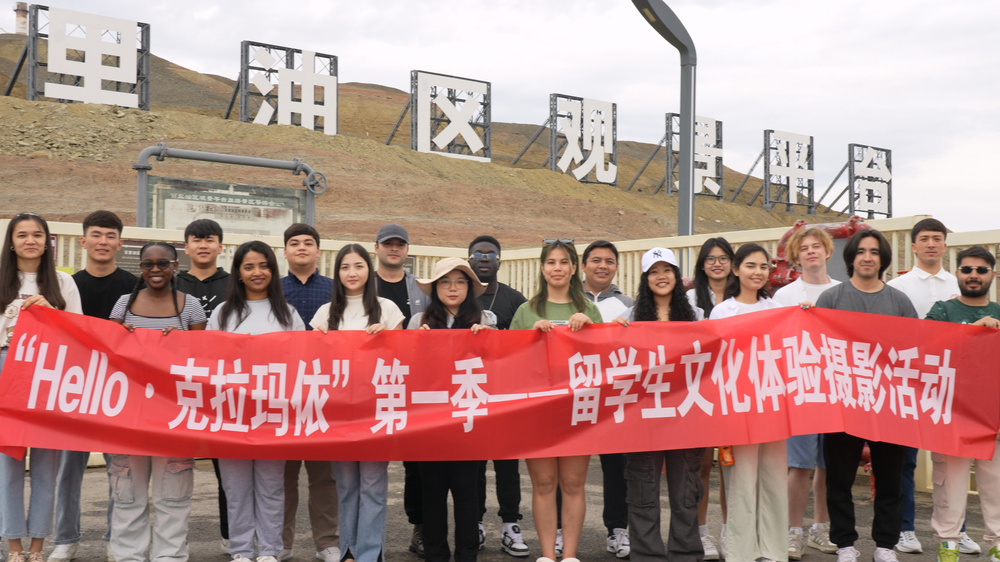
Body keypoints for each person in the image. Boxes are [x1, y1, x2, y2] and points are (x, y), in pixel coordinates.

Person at [815, 229, 917, 562]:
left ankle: (885, 546)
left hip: (889, 406)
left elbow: (916, 351)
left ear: (883, 259)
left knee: (890, 478)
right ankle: (845, 543)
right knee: (839, 479)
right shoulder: (831, 299)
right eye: (861, 251)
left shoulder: (899, 301)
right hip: (842, 404)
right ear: (851, 258)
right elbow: (815, 350)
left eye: (874, 251)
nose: (868, 257)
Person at [108, 241, 207, 562]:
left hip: (174, 418)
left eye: (163, 264)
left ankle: (171, 557)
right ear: (141, 267)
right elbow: (108, 359)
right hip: (127, 418)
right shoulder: (123, 305)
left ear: (175, 266)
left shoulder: (190, 307)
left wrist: (179, 346)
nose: (155, 270)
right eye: (148, 264)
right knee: (127, 497)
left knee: (173, 499)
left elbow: (204, 362)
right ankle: (127, 557)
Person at [209, 241, 305, 562]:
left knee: (271, 488)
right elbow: (209, 364)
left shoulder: (288, 314)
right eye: (248, 266)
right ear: (238, 272)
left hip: (273, 417)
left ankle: (268, 550)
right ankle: (240, 550)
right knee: (235, 491)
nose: (257, 272)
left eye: (263, 265)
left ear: (273, 270)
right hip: (231, 416)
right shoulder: (222, 314)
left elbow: (303, 364)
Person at [510, 240, 603, 562]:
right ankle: (548, 555)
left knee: (574, 482)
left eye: (564, 262)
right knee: (545, 482)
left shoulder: (589, 309)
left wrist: (591, 329)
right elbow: (507, 362)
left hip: (578, 410)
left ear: (574, 268)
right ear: (542, 268)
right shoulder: (526, 311)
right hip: (538, 411)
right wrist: (529, 337)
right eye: (551, 262)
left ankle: (571, 555)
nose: (558, 268)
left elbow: (606, 357)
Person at [52, 211, 138, 562]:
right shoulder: (65, 285)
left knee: (120, 472)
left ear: (120, 243)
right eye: (96, 235)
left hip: (120, 390)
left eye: (110, 236)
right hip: (76, 389)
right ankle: (65, 539)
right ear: (84, 240)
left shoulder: (135, 285)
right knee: (68, 469)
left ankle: (116, 539)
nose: (103, 241)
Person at [311, 244, 405, 562]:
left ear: (369, 269)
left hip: (377, 409)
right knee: (347, 485)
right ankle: (349, 549)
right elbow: (312, 365)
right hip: (338, 413)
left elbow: (404, 361)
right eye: (345, 267)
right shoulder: (325, 314)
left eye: (359, 266)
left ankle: (370, 552)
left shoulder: (388, 309)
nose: (352, 273)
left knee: (374, 486)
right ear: (337, 273)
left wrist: (390, 338)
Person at [611, 247, 704, 562]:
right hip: (644, 418)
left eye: (667, 270)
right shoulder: (629, 317)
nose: (661, 277)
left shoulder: (698, 317)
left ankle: (686, 553)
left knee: (686, 492)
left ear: (677, 277)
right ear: (645, 278)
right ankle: (647, 555)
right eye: (653, 271)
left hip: (686, 416)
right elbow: (609, 354)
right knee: (642, 492)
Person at [0, 213, 83, 562]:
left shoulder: (62, 283)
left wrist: (52, 313)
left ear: (47, 241)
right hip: (7, 371)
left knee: (48, 464)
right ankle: (13, 546)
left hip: (49, 374)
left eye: (37, 234)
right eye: (22, 235)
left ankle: (38, 546)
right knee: (8, 465)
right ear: (12, 240)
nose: (30, 240)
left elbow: (80, 333)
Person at [885, 218, 966, 556]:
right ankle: (905, 529)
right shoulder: (900, 286)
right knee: (905, 459)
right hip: (909, 381)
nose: (931, 244)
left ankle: (956, 531)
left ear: (945, 245)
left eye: (937, 239)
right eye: (924, 239)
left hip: (952, 384)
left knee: (952, 461)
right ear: (914, 246)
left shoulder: (959, 282)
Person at [408, 257, 495, 562]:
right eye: (445, 282)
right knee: (431, 490)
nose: (452, 288)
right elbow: (405, 366)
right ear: (434, 288)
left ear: (469, 287)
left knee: (466, 491)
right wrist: (418, 344)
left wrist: (485, 342)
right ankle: (435, 553)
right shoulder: (418, 321)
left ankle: (467, 554)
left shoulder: (484, 321)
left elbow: (497, 366)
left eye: (460, 281)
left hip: (467, 419)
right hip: (429, 420)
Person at [709, 243, 786, 562]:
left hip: (774, 405)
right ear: (736, 269)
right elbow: (713, 364)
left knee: (773, 478)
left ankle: (773, 550)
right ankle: (741, 551)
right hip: (737, 407)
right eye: (751, 266)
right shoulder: (722, 311)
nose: (758, 272)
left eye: (764, 267)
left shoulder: (777, 308)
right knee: (741, 481)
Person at [924, 245, 1000, 562]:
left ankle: (997, 544)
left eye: (981, 270)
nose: (973, 275)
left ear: (992, 275)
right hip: (950, 415)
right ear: (956, 272)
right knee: (949, 488)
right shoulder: (941, 310)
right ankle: (948, 547)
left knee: (996, 488)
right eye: (967, 269)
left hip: (994, 418)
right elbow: (924, 347)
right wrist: (972, 331)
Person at [772, 227, 840, 559]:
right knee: (799, 465)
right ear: (795, 256)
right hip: (799, 391)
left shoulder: (844, 291)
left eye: (817, 246)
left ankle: (820, 529)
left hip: (836, 390)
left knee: (829, 466)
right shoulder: (784, 295)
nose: (811, 252)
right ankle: (792, 532)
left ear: (828, 252)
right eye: (804, 248)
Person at [278, 224, 340, 562]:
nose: (301, 248)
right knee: (282, 477)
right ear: (284, 252)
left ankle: (327, 543)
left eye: (308, 243)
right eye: (294, 243)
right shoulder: (273, 290)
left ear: (318, 251)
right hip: (281, 396)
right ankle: (281, 543)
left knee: (323, 478)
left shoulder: (335, 290)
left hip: (322, 395)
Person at [467, 236, 529, 557]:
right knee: (474, 465)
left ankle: (510, 525)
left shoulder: (515, 300)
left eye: (491, 254)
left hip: (506, 397)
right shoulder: (461, 296)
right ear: (469, 259)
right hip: (471, 394)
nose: (484, 258)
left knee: (507, 465)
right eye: (478, 254)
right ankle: (474, 523)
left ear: (500, 261)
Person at [173, 217, 232, 553]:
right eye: (196, 239)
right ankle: (174, 544)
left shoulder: (232, 284)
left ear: (220, 246)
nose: (203, 244)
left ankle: (230, 536)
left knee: (228, 471)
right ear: (187, 246)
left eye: (210, 239)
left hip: (224, 389)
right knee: (176, 468)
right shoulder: (171, 283)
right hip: (181, 389)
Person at [372, 223, 428, 556]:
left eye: (400, 244)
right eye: (387, 244)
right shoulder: (364, 284)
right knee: (365, 463)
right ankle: (361, 536)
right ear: (376, 248)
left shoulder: (420, 287)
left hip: (413, 385)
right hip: (370, 384)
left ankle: (419, 526)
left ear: (407, 250)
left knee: (416, 463)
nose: (394, 249)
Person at [581, 240, 633, 559]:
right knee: (568, 468)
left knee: (617, 468)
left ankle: (618, 529)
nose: (603, 265)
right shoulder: (567, 299)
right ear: (583, 265)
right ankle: (560, 529)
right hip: (576, 395)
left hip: (615, 398)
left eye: (609, 261)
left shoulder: (628, 303)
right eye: (596, 260)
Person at [686, 238, 734, 560]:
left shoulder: (746, 296)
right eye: (710, 259)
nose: (717, 264)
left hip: (736, 390)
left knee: (732, 469)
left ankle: (732, 532)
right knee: (701, 465)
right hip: (700, 392)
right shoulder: (688, 299)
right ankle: (701, 533)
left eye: (723, 258)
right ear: (702, 264)